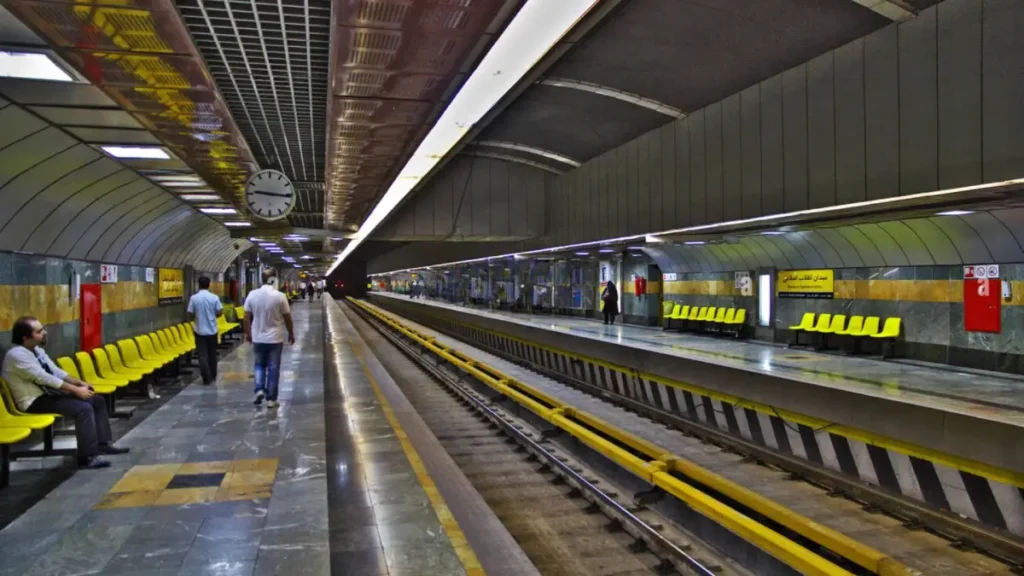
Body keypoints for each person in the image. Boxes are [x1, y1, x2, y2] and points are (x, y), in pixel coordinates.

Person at [2, 317, 129, 469]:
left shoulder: (37, 350)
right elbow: (43, 377)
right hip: (33, 401)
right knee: (83, 408)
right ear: (26, 337)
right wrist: (76, 391)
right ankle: (87, 457)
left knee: (97, 401)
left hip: (48, 394)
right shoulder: (17, 355)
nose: (44, 333)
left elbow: (55, 371)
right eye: (39, 331)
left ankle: (103, 444)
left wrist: (79, 382)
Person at [243, 269, 295, 408]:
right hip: (275, 339)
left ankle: (259, 389)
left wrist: (248, 333)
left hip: (258, 337)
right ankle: (272, 399)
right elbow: (287, 318)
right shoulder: (280, 296)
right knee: (273, 368)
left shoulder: (252, 295)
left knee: (259, 365)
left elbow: (246, 317)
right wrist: (291, 333)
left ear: (262, 279)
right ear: (274, 279)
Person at [187, 276, 223, 385]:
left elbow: (190, 313)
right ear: (209, 285)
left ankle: (206, 377)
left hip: (199, 331)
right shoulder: (214, 297)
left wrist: (197, 317)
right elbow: (220, 311)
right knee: (212, 354)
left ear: (199, 284)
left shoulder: (194, 298)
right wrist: (212, 315)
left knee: (202, 355)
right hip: (212, 330)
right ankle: (213, 375)